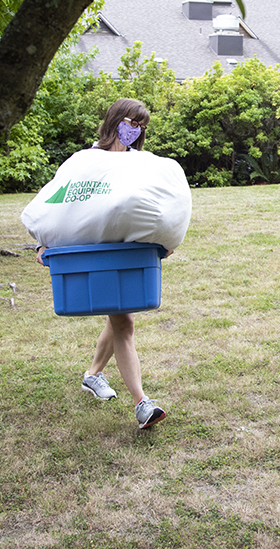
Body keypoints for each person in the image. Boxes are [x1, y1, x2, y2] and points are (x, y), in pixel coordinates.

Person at [34, 98, 172, 429]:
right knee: (124, 321)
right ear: (113, 120)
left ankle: (93, 375)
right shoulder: (84, 163)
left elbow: (155, 202)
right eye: (131, 121)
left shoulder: (140, 163)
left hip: (127, 250)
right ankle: (142, 403)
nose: (135, 130)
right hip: (95, 252)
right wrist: (43, 241)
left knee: (119, 318)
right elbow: (58, 201)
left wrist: (163, 237)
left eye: (141, 126)